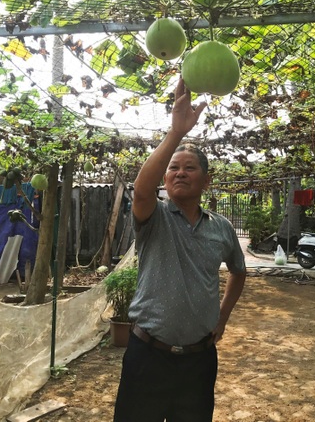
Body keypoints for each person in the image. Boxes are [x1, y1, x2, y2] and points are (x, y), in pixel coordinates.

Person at [114, 78, 247, 422]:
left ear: (206, 180)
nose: (179, 173)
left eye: (189, 168)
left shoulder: (221, 228)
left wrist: (224, 314)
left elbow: (238, 271)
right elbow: (142, 191)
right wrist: (175, 133)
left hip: (199, 360)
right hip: (148, 354)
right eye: (173, 168)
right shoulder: (154, 217)